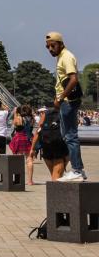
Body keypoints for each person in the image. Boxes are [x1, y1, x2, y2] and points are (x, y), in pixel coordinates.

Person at [47, 31, 86, 182]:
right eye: (48, 46)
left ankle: (76, 170)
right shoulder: (61, 57)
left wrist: (61, 97)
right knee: (67, 135)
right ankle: (79, 169)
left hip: (68, 101)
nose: (50, 49)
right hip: (65, 101)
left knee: (70, 136)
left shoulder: (66, 56)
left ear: (61, 44)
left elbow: (74, 79)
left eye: (53, 45)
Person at [30, 106, 68, 181]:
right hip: (59, 147)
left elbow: (38, 132)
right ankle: (55, 191)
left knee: (54, 174)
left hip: (46, 146)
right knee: (57, 175)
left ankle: (57, 188)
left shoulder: (45, 114)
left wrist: (32, 148)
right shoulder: (65, 113)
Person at [10, 104, 35, 185]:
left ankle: (18, 179)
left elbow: (15, 124)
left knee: (18, 159)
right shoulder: (32, 119)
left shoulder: (19, 118)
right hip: (28, 139)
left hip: (19, 139)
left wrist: (14, 114)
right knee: (29, 159)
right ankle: (30, 181)